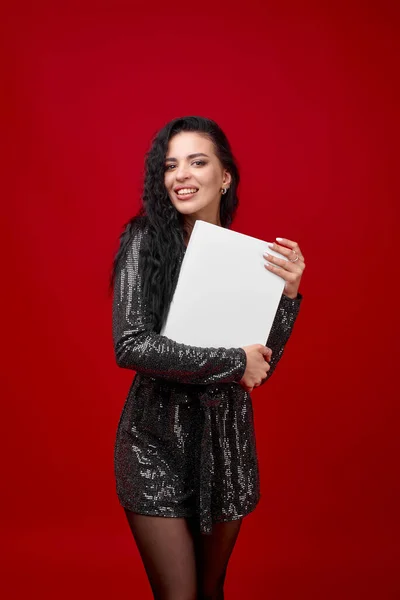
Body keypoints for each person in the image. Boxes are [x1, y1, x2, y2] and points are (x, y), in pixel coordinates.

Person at [109, 116, 305, 600]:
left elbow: (260, 367)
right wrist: (233, 361)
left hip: (225, 448)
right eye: (171, 165)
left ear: (225, 177)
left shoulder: (247, 262)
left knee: (211, 592)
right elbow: (132, 344)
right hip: (154, 443)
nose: (182, 175)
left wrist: (288, 296)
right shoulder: (144, 241)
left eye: (198, 162)